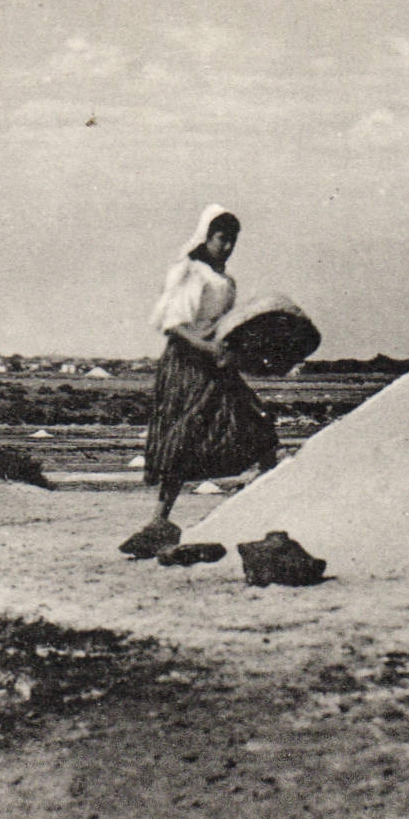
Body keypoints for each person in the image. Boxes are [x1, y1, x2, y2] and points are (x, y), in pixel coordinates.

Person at [120, 205, 279, 558]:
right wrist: (209, 348)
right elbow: (175, 326)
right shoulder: (190, 273)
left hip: (217, 364)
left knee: (257, 423)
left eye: (233, 240)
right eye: (222, 238)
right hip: (188, 366)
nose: (227, 246)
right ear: (206, 237)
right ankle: (158, 522)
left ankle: (273, 503)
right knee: (183, 437)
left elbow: (226, 324)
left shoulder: (227, 281)